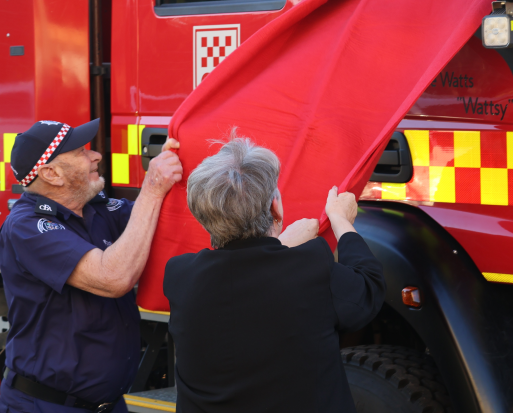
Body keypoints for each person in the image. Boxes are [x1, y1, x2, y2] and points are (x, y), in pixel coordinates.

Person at [163, 135, 386, 412]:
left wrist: (283, 246)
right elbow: (369, 290)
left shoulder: (180, 276)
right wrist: (341, 220)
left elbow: (244, 279)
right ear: (274, 208)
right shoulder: (310, 266)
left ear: (204, 216)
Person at [0, 119, 182, 413]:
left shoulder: (96, 207)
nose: (95, 155)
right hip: (48, 406)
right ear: (51, 173)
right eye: (81, 151)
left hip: (106, 404)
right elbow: (113, 277)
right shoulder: (27, 226)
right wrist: (152, 187)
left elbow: (160, 223)